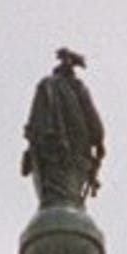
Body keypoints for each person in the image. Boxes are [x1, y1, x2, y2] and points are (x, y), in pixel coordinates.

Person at [22, 48, 103, 207]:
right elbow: (94, 124)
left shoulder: (47, 85)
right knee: (68, 191)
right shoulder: (76, 89)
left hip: (52, 152)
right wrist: (99, 142)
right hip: (73, 152)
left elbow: (34, 124)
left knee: (58, 191)